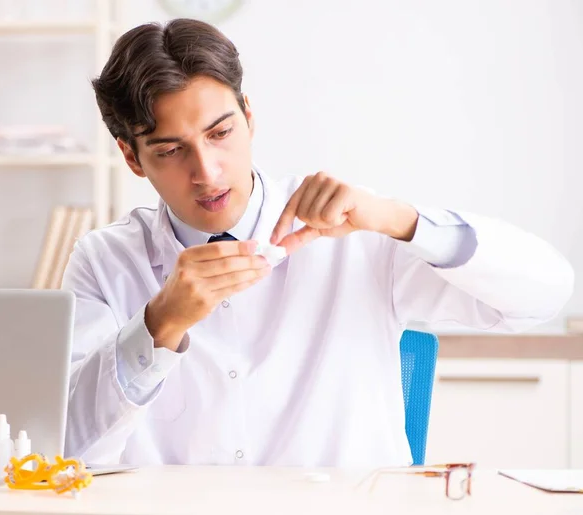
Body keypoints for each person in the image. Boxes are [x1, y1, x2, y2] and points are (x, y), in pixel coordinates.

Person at [62, 18, 574, 468]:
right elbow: (67, 449)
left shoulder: (356, 232)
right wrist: (158, 326)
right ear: (132, 158)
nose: (206, 172)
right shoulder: (104, 261)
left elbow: (544, 294)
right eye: (171, 150)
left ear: (249, 115)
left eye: (220, 133)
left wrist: (402, 220)